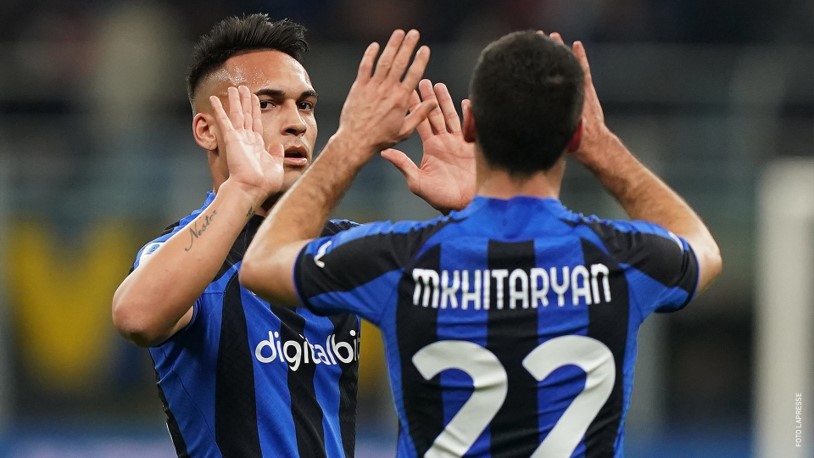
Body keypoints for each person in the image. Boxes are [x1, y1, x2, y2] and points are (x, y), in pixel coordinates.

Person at [239, 30, 723, 457]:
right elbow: (701, 247)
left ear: (471, 125)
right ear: (574, 133)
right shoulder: (620, 258)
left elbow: (261, 263)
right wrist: (603, 149)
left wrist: (352, 142)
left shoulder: (402, 260)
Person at [111, 14, 470, 457]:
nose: (297, 122)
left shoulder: (341, 250)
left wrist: (476, 211)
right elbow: (137, 317)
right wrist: (244, 188)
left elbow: (513, 296)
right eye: (267, 104)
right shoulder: (183, 251)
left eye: (306, 105)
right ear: (207, 131)